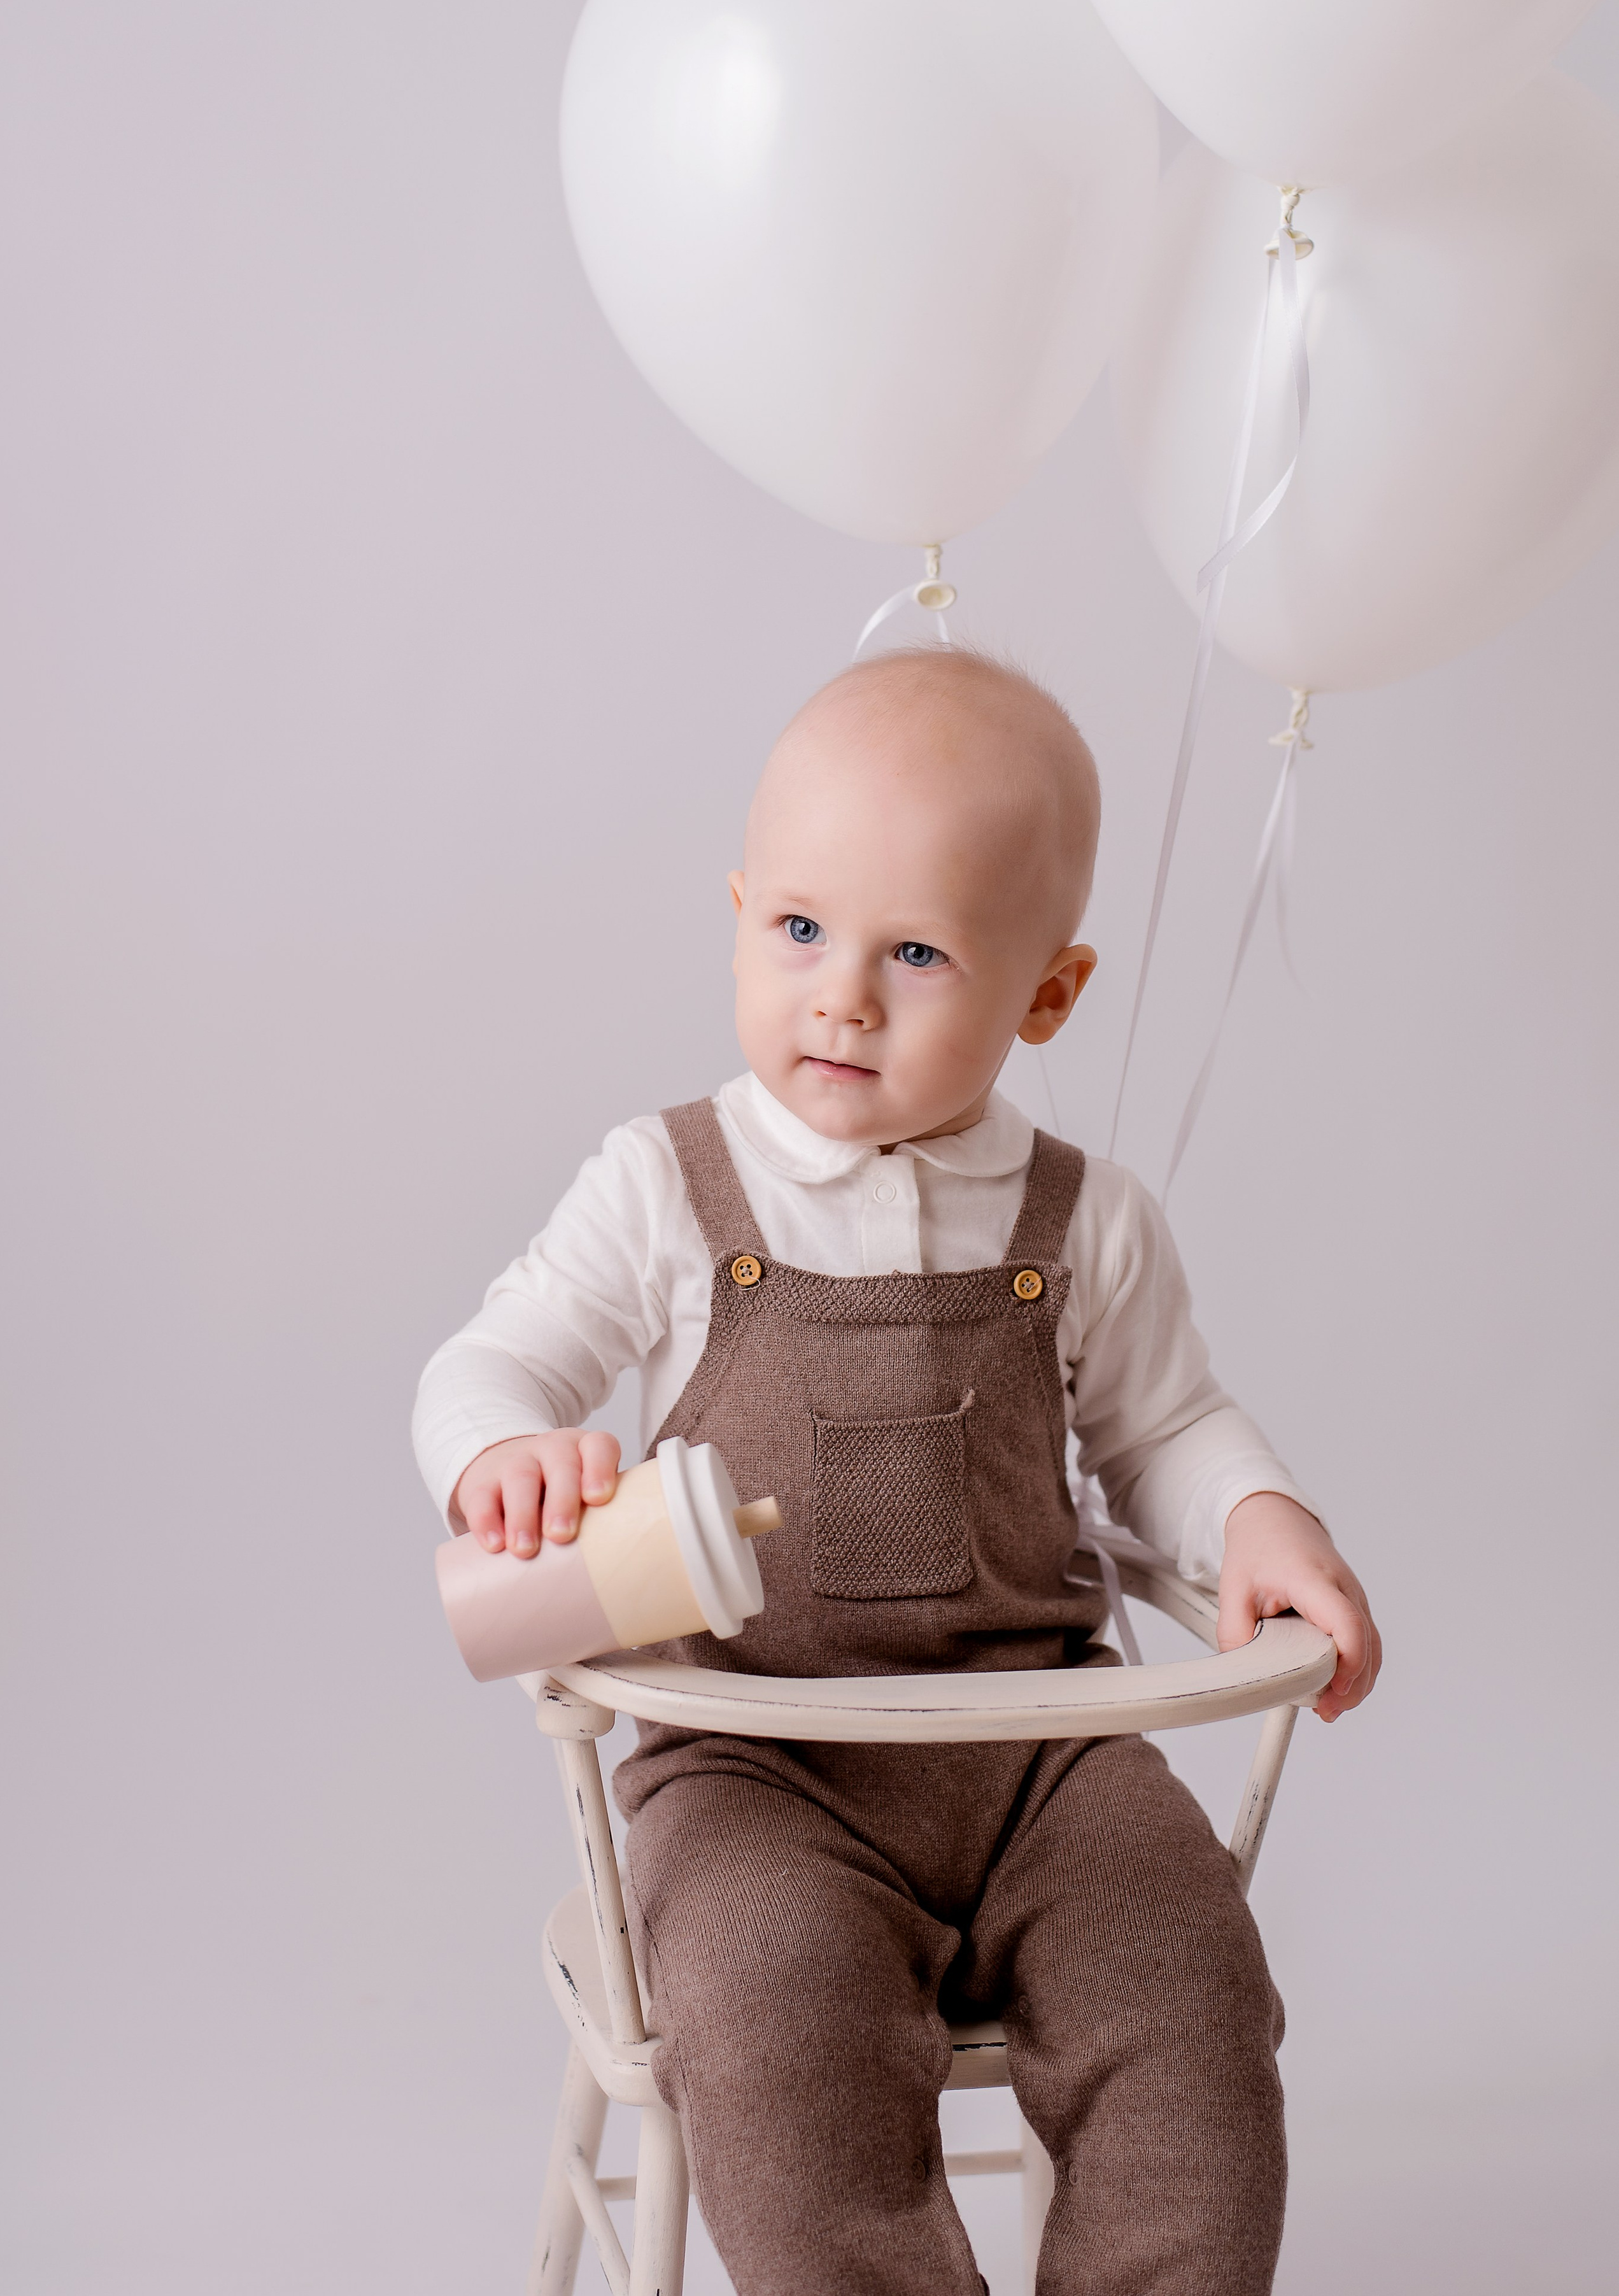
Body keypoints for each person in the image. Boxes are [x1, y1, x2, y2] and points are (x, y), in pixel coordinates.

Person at [413, 646, 1380, 2295]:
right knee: (779, 2039)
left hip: (1043, 1750)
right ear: (737, 911)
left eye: (917, 951)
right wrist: (506, 1448)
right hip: (752, 1767)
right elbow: (490, 1356)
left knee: (1197, 2000)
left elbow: (1166, 1427)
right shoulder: (671, 1185)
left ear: (1046, 995)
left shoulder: (1084, 1219)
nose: (841, 993)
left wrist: (1258, 1515)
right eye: (798, 928)